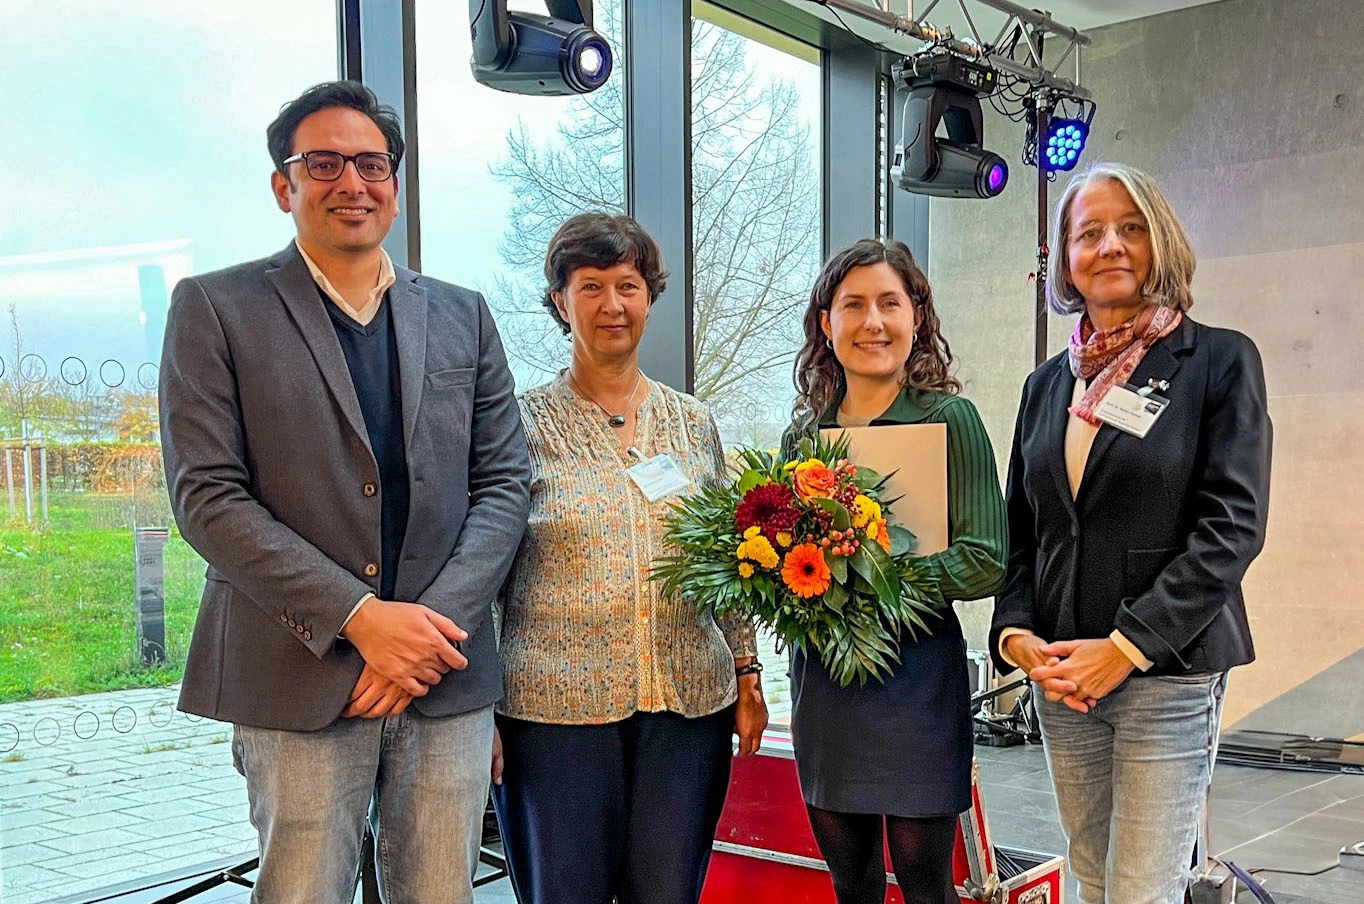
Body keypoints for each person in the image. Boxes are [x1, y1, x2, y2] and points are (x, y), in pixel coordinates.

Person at [158, 80, 531, 904]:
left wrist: (424, 636)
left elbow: (505, 484)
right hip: (297, 672)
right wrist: (361, 620)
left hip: (444, 676)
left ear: (395, 184)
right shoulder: (215, 308)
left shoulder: (464, 315)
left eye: (372, 164)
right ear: (283, 186)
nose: (352, 183)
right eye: (323, 163)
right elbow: (207, 497)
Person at [990, 162, 1272, 904]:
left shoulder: (1219, 361)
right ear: (1066, 259)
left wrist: (1124, 648)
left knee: (1141, 890)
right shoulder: (1046, 385)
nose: (1110, 245)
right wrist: (1015, 635)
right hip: (1063, 677)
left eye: (1130, 228)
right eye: (1089, 233)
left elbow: (1232, 528)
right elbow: (1022, 529)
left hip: (1165, 671)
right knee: (1092, 878)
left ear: (1160, 242)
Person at [490, 212, 768, 904]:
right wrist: (477, 710)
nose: (612, 304)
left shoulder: (693, 423)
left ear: (649, 297)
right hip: (553, 718)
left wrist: (748, 673)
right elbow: (483, 574)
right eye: (590, 286)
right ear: (561, 302)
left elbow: (729, 558)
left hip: (688, 712)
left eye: (628, 286)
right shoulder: (516, 426)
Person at [787, 238, 1007, 904]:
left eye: (889, 303)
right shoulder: (803, 437)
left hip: (918, 686)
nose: (873, 322)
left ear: (917, 317)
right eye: (853, 305)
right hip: (826, 685)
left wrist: (874, 578)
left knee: (925, 884)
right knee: (849, 884)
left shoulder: (950, 419)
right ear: (826, 323)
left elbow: (986, 559)